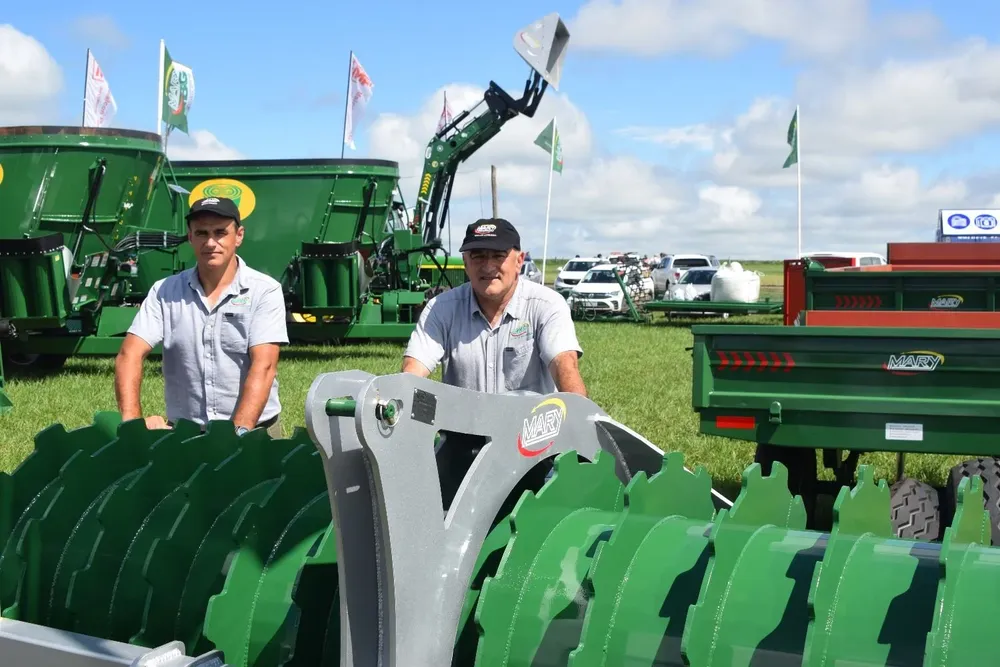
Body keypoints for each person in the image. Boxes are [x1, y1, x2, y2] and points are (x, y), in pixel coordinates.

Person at [114, 196, 289, 438]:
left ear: (238, 235)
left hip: (255, 432)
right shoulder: (164, 292)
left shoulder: (264, 291)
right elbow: (129, 354)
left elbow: (265, 366)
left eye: (220, 232)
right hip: (186, 435)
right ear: (190, 237)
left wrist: (235, 436)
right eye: (202, 233)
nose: (210, 242)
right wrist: (132, 422)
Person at [402, 217, 586, 396]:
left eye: (498, 256)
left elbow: (564, 364)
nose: (488, 266)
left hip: (530, 425)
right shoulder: (441, 308)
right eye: (478, 256)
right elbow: (414, 369)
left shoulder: (547, 305)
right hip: (462, 426)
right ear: (465, 262)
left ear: (519, 261)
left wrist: (578, 415)